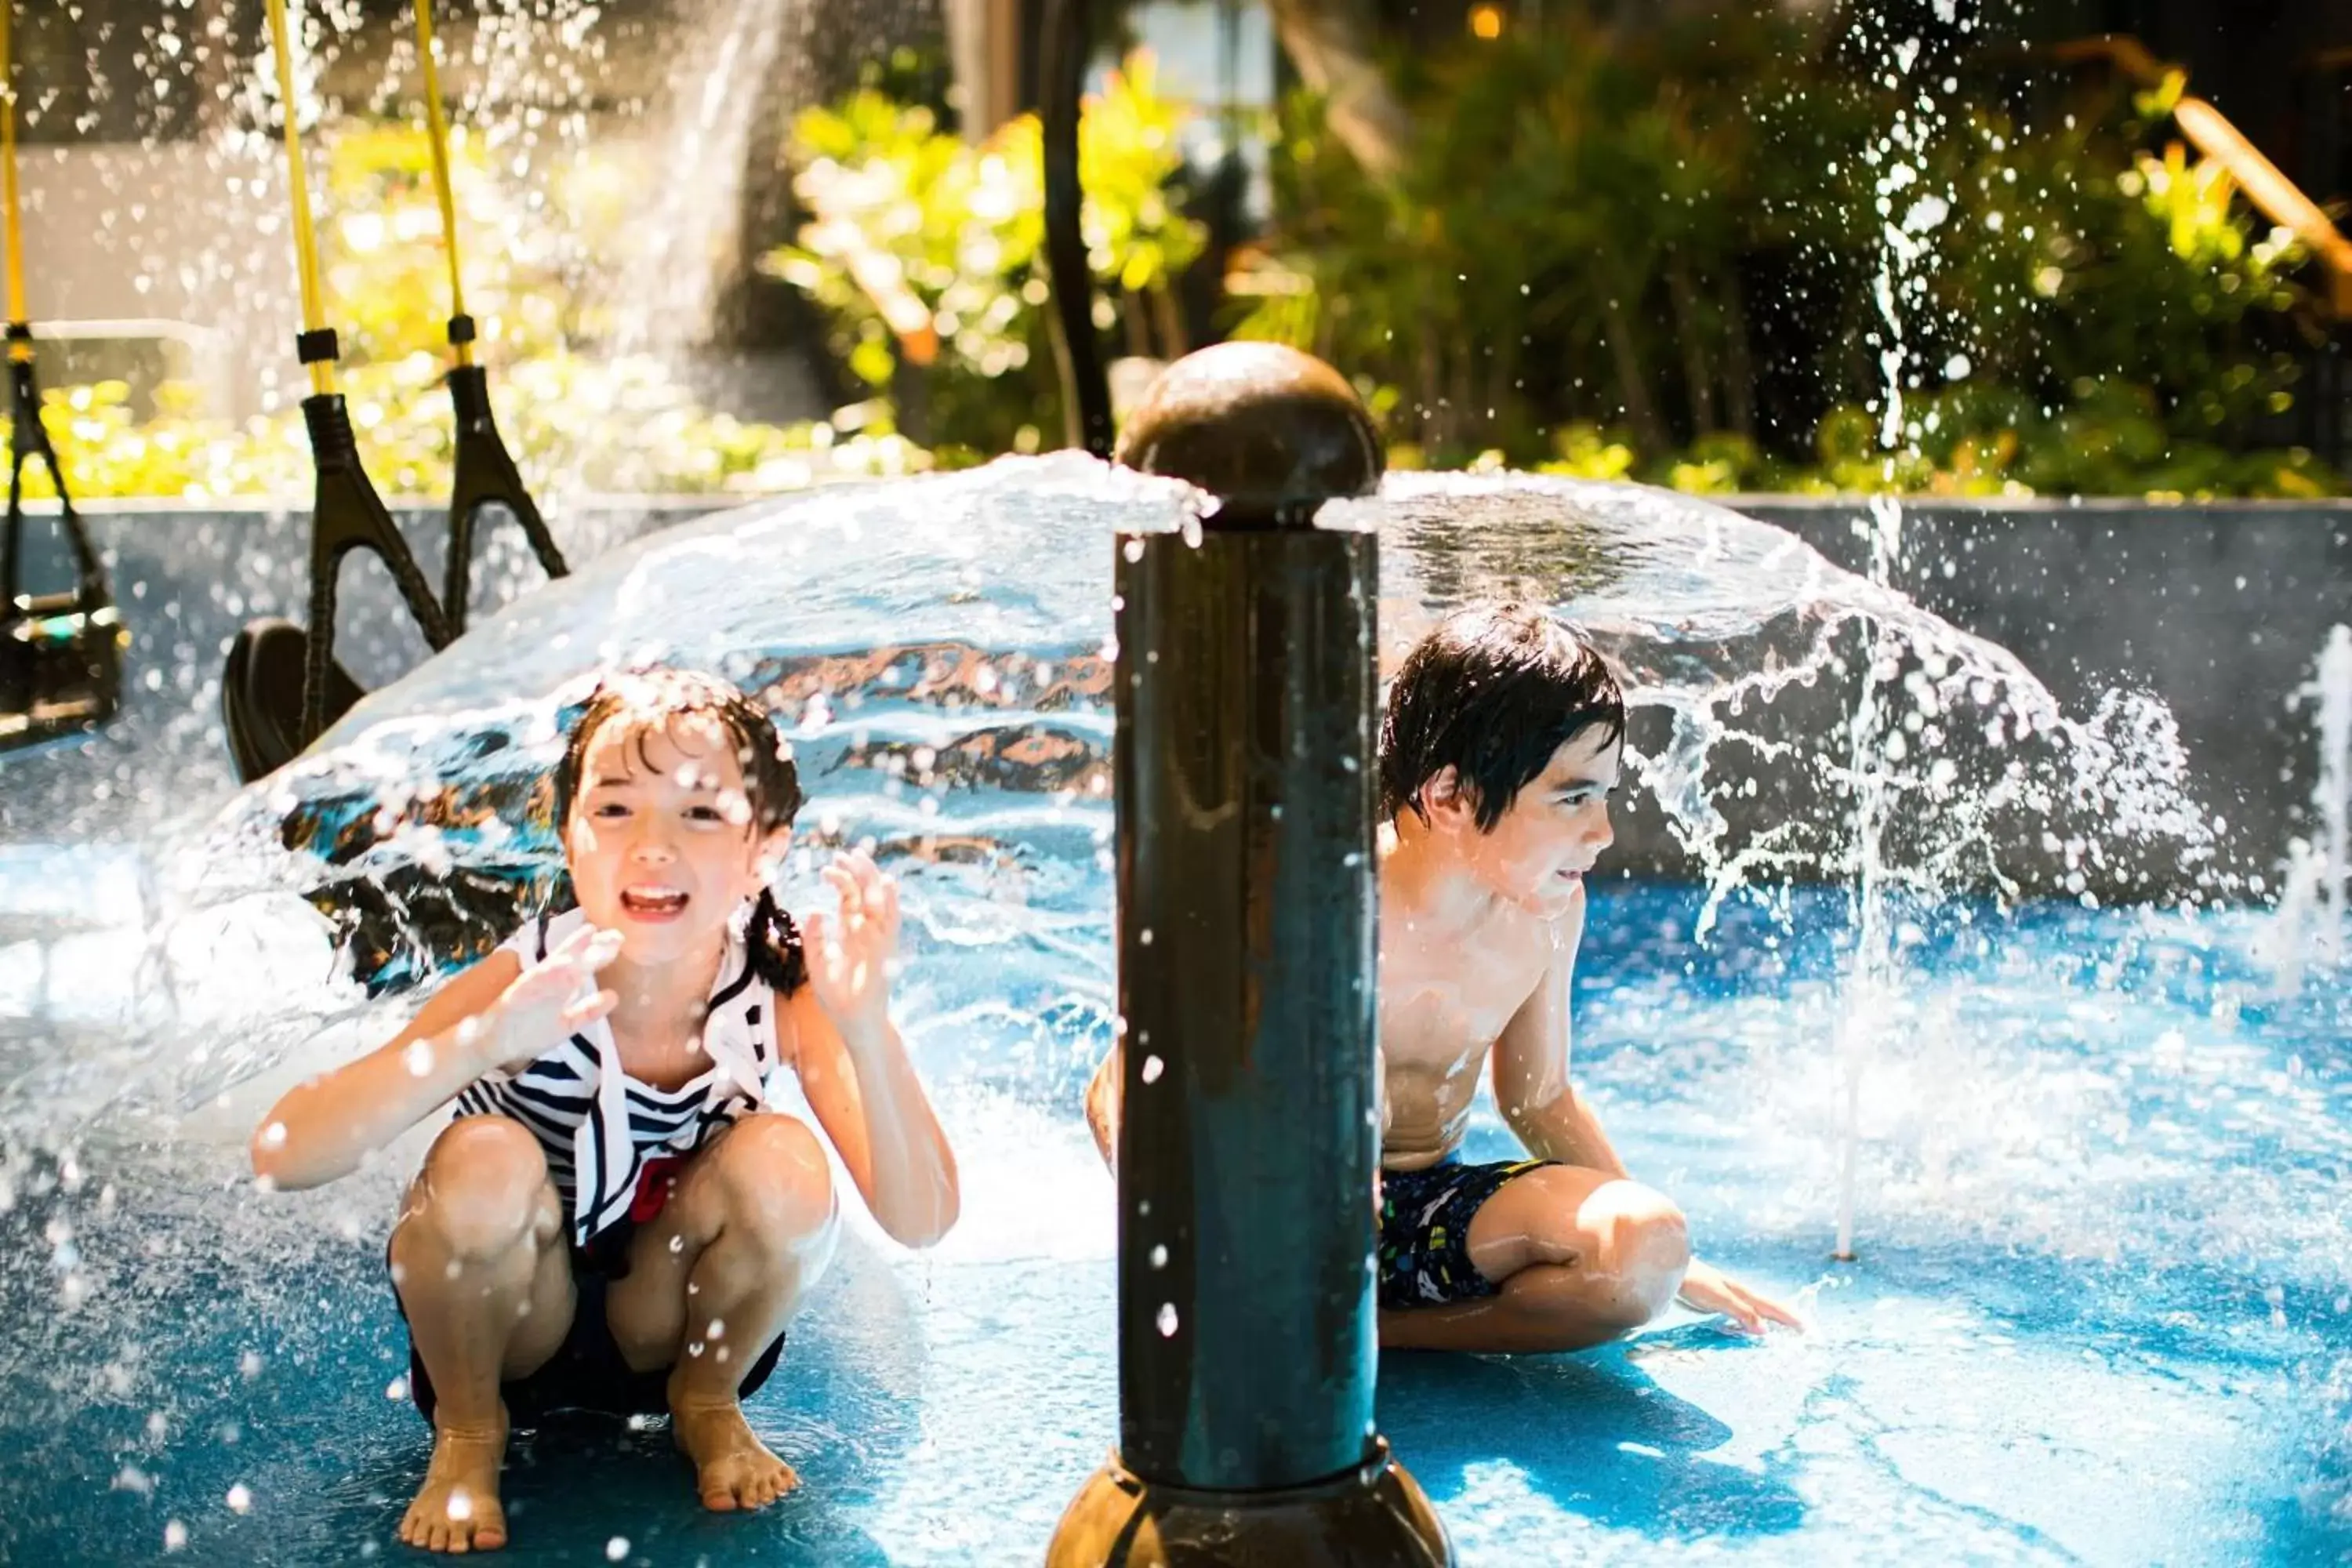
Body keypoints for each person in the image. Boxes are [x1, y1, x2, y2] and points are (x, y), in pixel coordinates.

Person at [252, 667, 960, 1553]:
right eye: (616, 809)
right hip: (509, 1326)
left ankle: (707, 1400)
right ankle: (471, 1433)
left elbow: (923, 1217)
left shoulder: (777, 991)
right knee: (482, 1154)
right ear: (568, 836)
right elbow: (282, 1150)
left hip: (672, 1322)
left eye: (700, 812)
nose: (653, 846)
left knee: (786, 1162)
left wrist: (865, 1029)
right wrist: (473, 1047)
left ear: (764, 849)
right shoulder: (528, 979)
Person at [1087, 603, 1798, 1352]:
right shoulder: (1317, 902)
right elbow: (1121, 1079)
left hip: (1424, 1215)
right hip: (1272, 1216)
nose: (1603, 832)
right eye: (1573, 797)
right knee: (1337, 1091)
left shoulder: (1545, 915)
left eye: (1607, 795)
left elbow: (1537, 1094)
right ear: (1451, 796)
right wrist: (1177, 1235)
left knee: (1644, 1246)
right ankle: (1307, 1305)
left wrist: (1681, 1268)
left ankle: (1380, 1334)